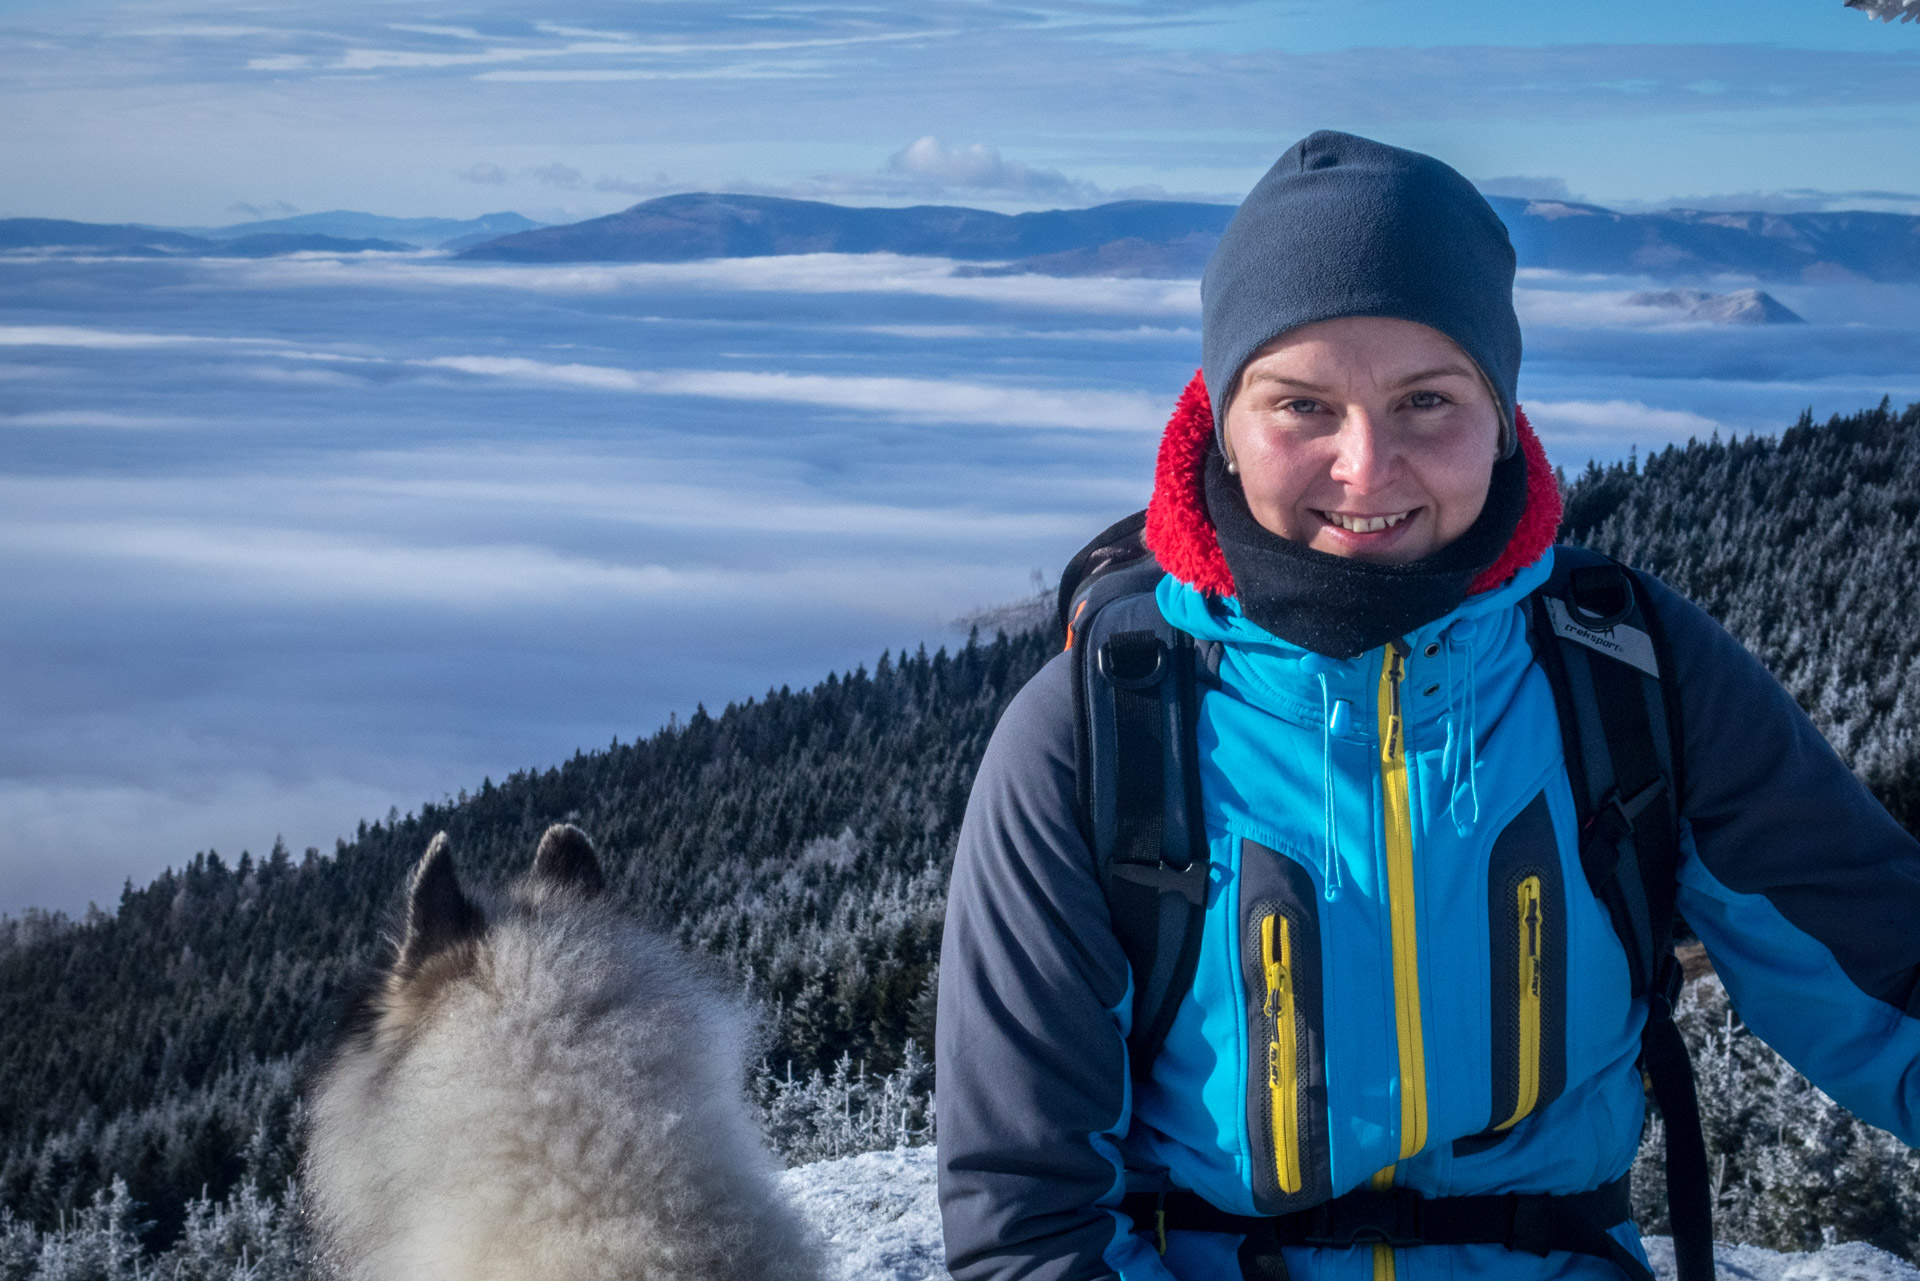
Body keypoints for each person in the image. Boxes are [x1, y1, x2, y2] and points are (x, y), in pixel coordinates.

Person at [934, 130, 1920, 1281]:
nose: (1366, 466)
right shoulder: (1099, 733)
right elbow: (1029, 1214)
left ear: (1504, 417)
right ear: (1221, 420)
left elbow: (1890, 985)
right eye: (1301, 404)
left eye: (1426, 400)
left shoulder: (1628, 674)